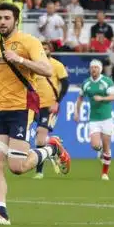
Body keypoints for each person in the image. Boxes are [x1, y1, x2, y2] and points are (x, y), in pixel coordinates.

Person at [0, 3, 71, 225]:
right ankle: (1, 214)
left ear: (16, 21)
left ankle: (51, 148)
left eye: (6, 18)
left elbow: (47, 69)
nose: (2, 21)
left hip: (22, 108)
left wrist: (20, 60)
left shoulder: (29, 42)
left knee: (17, 167)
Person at [74, 60, 114, 180]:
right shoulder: (86, 83)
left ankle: (104, 173)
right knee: (95, 145)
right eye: (92, 67)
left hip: (107, 118)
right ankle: (100, 151)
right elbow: (80, 98)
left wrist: (102, 98)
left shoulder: (107, 81)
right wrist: (76, 112)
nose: (93, 69)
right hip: (94, 119)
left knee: (107, 147)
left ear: (100, 69)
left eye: (96, 67)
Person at [33, 42, 69, 179]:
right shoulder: (34, 65)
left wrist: (57, 102)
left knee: (40, 135)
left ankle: (39, 171)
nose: (44, 50)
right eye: (41, 48)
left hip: (50, 106)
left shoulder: (56, 65)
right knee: (39, 138)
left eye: (46, 48)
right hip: (36, 106)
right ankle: (54, 143)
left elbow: (65, 84)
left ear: (50, 50)